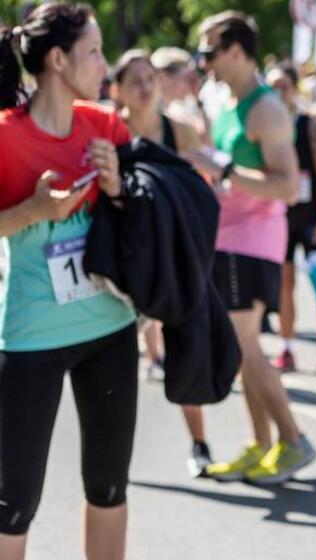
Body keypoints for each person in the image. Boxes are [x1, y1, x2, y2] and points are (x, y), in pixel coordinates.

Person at [0, 4, 138, 558]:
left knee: (109, 489)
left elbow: (142, 217)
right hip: (31, 337)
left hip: (110, 328)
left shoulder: (106, 127)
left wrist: (119, 187)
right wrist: (33, 212)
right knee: (12, 505)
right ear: (58, 60)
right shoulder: (6, 137)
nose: (105, 65)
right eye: (94, 52)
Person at [183, 10, 316, 485]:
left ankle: (294, 440)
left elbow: (286, 187)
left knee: (243, 345)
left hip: (253, 241)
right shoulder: (227, 103)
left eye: (209, 52)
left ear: (237, 52)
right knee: (241, 348)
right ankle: (260, 445)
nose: (203, 63)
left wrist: (221, 170)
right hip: (227, 238)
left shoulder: (266, 109)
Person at [111, 48, 214, 479]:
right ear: (117, 89)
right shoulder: (109, 129)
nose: (144, 86)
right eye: (134, 80)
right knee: (112, 363)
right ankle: (112, 456)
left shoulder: (178, 130)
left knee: (185, 348)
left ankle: (199, 443)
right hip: (123, 262)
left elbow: (202, 179)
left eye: (149, 78)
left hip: (171, 255)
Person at [265, 62, 316, 375]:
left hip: (310, 215)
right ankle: (286, 348)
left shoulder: (309, 125)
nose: (278, 93)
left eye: (283, 86)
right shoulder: (266, 126)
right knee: (285, 282)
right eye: (272, 87)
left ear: (294, 88)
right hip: (280, 215)